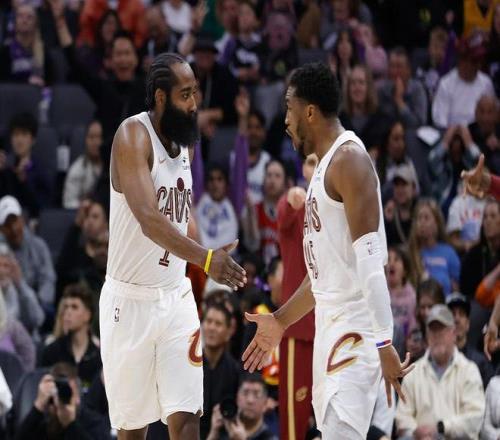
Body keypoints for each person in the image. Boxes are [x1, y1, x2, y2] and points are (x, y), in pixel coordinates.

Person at [242, 62, 412, 439]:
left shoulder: (349, 161)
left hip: (355, 330)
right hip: (329, 326)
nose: (285, 120)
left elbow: (371, 264)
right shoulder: (324, 167)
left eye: (289, 109)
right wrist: (281, 320)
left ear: (310, 112)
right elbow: (323, 277)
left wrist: (384, 342)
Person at [99, 52, 246, 439]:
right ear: (161, 98)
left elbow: (180, 215)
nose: (194, 103)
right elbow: (149, 218)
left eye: (195, 92)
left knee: (186, 416)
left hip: (175, 296)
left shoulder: (186, 145)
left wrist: (208, 249)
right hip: (130, 303)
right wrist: (206, 259)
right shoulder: (132, 136)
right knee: (134, 430)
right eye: (185, 94)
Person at [276, 153, 317, 440]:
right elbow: (286, 209)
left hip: (335, 326)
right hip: (300, 327)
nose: (317, 167)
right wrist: (294, 197)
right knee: (295, 424)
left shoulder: (344, 207)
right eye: (311, 162)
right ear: (303, 168)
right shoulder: (296, 201)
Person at [15, 362, 111, 440]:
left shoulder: (93, 423)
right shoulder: (43, 423)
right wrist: (38, 405)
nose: (60, 398)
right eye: (57, 391)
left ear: (78, 396)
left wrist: (71, 424)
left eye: (68, 391)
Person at [40, 284, 102, 390]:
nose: (68, 312)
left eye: (74, 307)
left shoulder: (99, 357)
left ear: (87, 315)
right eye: (66, 307)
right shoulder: (51, 351)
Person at [207, 373, 278, 440]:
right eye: (245, 393)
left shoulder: (271, 438)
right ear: (237, 398)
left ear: (265, 403)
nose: (250, 400)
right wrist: (213, 433)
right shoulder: (225, 431)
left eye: (256, 395)